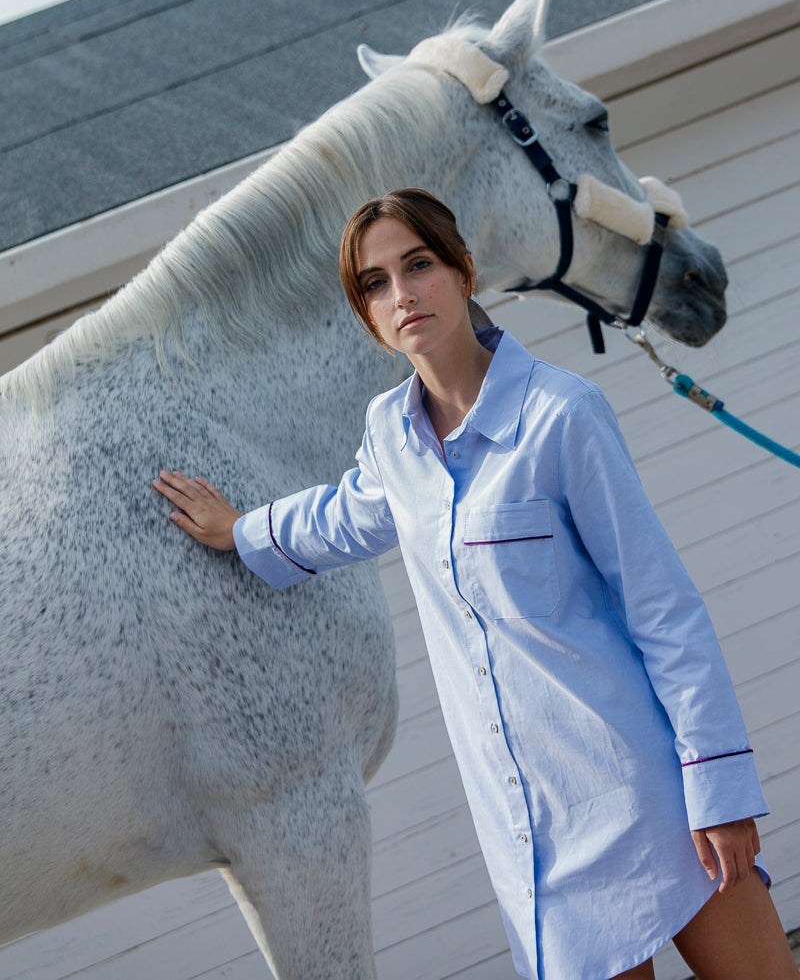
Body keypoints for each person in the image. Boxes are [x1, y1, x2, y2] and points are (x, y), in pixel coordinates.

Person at [153, 188, 796, 980]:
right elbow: (343, 516)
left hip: (649, 794)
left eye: (418, 265)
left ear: (463, 272)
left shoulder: (564, 415)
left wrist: (720, 788)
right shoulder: (391, 437)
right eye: (376, 283)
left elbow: (662, 609)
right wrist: (239, 530)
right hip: (534, 834)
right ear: (368, 316)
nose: (403, 293)